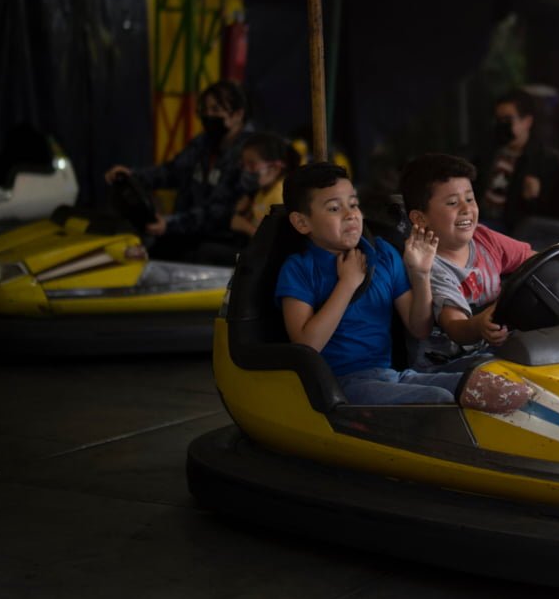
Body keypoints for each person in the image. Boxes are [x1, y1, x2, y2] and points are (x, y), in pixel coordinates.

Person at [275, 162, 460, 404]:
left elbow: (419, 329)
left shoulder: (382, 254)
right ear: (302, 222)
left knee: (481, 380)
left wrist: (421, 273)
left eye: (353, 204)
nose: (351, 214)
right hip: (338, 384)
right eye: (334, 208)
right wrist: (347, 284)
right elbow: (307, 346)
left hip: (390, 377)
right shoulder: (299, 268)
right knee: (438, 399)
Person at [400, 153, 559, 366]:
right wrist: (478, 326)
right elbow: (455, 326)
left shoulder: (484, 239)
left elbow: (532, 259)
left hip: (492, 350)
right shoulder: (432, 266)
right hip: (447, 363)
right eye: (452, 202)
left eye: (470, 199)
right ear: (420, 218)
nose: (466, 209)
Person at [104, 80, 253, 261]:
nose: (208, 116)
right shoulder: (203, 143)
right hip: (188, 231)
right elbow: (173, 171)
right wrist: (133, 176)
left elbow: (219, 211)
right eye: (205, 110)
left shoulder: (249, 154)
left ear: (238, 114)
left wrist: (171, 224)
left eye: (216, 110)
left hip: (222, 238)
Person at [479, 90, 559, 233]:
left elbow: (550, 214)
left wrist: (532, 198)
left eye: (507, 120)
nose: (501, 125)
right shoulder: (490, 150)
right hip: (480, 218)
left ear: (527, 122)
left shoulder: (544, 160)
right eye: (499, 120)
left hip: (510, 228)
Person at [230, 131, 295, 238]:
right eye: (243, 164)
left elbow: (274, 241)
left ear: (274, 168)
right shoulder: (261, 191)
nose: (246, 170)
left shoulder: (281, 196)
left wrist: (244, 226)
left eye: (251, 164)